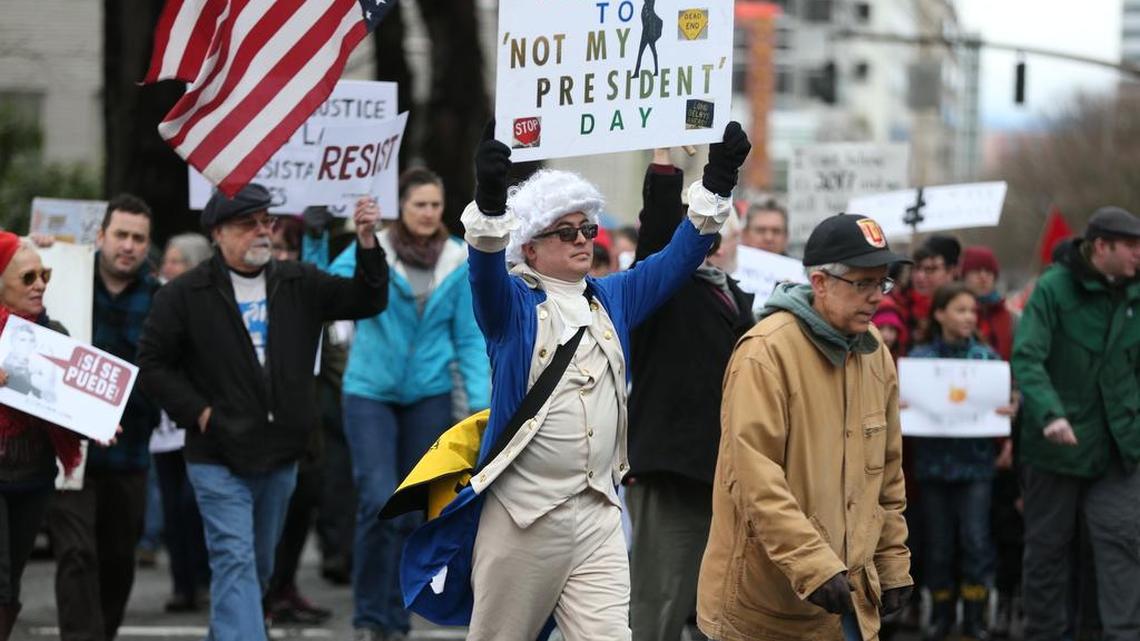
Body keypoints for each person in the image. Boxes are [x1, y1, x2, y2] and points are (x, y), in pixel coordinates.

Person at [396, 122, 748, 640]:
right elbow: (484, 267)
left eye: (588, 229)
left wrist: (718, 180)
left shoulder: (613, 297)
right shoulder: (511, 306)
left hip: (598, 515)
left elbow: (679, 257)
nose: (584, 239)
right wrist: (492, 201)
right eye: (566, 231)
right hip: (521, 517)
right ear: (531, 248)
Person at [137, 184, 390, 641]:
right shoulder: (185, 294)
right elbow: (153, 364)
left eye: (266, 221)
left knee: (256, 566)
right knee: (234, 559)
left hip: (280, 454)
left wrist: (368, 242)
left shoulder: (298, 282)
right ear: (217, 232)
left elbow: (367, 300)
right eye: (247, 223)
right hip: (216, 455)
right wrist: (200, 412)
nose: (261, 231)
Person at [698, 213, 913, 641]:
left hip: (849, 603)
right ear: (820, 283)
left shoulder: (876, 357)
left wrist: (891, 561)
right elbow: (754, 479)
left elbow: (886, 476)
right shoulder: (766, 353)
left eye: (882, 283)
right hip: (766, 609)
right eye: (862, 284)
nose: (876, 298)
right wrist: (812, 563)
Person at [329, 167, 489, 641]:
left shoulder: (459, 260)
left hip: (429, 395)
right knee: (378, 499)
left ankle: (395, 619)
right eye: (419, 204)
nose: (428, 213)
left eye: (436, 205)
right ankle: (366, 616)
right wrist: (358, 242)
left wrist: (483, 411)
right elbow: (333, 290)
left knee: (413, 509)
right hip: (369, 393)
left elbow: (468, 338)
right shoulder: (372, 247)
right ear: (401, 206)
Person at [625, 148, 755, 641]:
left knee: (720, 609)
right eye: (705, 232)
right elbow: (659, 234)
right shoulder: (662, 288)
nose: (713, 242)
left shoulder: (741, 300)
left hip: (726, 474)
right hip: (673, 468)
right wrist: (666, 164)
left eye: (723, 236)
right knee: (659, 604)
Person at [1012, 206, 1140, 641]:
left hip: (1118, 447)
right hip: (1056, 449)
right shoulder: (1052, 290)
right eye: (1131, 247)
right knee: (1049, 551)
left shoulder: (1134, 295)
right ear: (1102, 246)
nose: (1138, 256)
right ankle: (1045, 633)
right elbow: (1027, 357)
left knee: (1114, 548)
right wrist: (1050, 413)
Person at [45, 194, 162, 641]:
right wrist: (40, 250)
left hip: (129, 450)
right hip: (68, 450)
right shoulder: (63, 279)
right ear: (100, 236)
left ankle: (101, 634)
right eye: (120, 235)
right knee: (75, 554)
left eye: (138, 238)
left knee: (116, 559)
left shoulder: (161, 300)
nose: (128, 246)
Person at [908, 282, 1016, 641]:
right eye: (960, 310)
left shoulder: (986, 360)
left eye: (972, 311)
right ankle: (940, 615)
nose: (969, 317)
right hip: (933, 467)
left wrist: (1009, 411)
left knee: (975, 541)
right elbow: (903, 404)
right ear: (939, 314)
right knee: (938, 545)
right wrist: (903, 405)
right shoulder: (919, 360)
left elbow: (1003, 406)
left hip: (976, 467)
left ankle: (974, 616)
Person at [0, 233, 82, 641]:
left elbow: (76, 408)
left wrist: (99, 421)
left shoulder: (56, 334)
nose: (40, 284)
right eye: (28, 276)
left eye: (44, 275)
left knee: (12, 580)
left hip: (33, 479)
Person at [148, 232, 214, 613]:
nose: (168, 268)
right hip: (163, 428)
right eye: (168, 260)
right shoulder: (156, 303)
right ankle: (181, 584)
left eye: (178, 261)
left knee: (195, 505)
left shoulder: (208, 306)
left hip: (198, 422)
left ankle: (204, 579)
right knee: (172, 508)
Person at [888, 234, 960, 354]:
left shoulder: (966, 309)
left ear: (951, 272)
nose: (920, 277)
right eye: (916, 268)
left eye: (931, 269)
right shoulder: (895, 307)